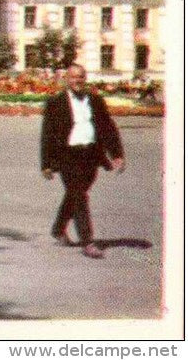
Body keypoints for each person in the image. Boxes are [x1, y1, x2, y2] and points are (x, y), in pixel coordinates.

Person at [40, 64, 125, 259]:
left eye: (80, 77)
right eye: (73, 77)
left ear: (85, 79)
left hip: (91, 155)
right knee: (79, 196)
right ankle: (88, 242)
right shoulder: (55, 103)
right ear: (66, 79)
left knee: (75, 194)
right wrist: (46, 164)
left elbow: (108, 128)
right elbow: (47, 134)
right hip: (67, 156)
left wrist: (117, 154)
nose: (77, 81)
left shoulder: (95, 100)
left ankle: (58, 229)